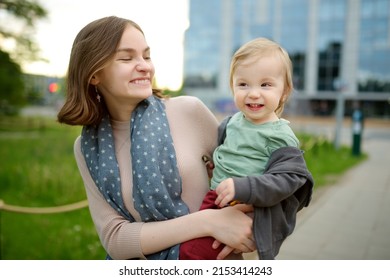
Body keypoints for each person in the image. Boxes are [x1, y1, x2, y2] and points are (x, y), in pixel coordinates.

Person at [57, 16, 256, 260]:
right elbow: (115, 238)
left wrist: (249, 222)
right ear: (94, 74)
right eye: (127, 58)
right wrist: (207, 222)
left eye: (146, 56)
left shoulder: (189, 111)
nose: (144, 66)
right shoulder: (87, 148)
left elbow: (253, 175)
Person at [179, 38, 314, 260]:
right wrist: (216, 166)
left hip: (244, 205)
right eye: (243, 84)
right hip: (215, 199)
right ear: (232, 86)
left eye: (265, 85)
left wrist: (244, 186)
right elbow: (228, 153)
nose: (253, 93)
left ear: (285, 91)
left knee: (193, 253)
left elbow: (288, 178)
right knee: (199, 248)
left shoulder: (280, 136)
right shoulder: (230, 123)